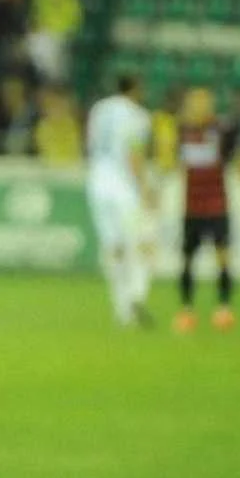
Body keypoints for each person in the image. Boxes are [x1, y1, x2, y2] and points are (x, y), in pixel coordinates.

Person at [173, 87, 240, 334]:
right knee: (188, 259)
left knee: (223, 257)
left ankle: (224, 308)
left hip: (217, 205)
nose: (198, 107)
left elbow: (238, 158)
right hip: (191, 206)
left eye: (203, 103)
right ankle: (187, 310)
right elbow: (176, 162)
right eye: (194, 103)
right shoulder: (183, 131)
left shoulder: (222, 130)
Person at [85, 75, 155, 327]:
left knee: (113, 247)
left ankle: (121, 308)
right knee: (141, 241)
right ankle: (136, 294)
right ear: (136, 89)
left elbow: (91, 145)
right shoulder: (138, 116)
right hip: (124, 187)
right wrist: (145, 187)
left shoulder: (99, 109)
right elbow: (134, 153)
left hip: (97, 183)